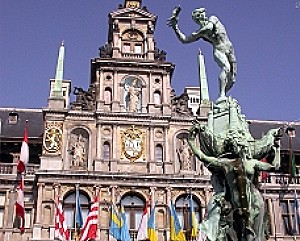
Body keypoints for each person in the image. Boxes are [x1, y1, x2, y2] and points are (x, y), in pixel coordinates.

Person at [168, 6, 237, 101]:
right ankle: (222, 95)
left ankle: (225, 93)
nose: (204, 16)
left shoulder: (213, 19)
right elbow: (184, 40)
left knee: (232, 78)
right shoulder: (201, 33)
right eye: (200, 15)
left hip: (229, 48)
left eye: (202, 14)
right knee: (226, 68)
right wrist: (175, 27)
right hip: (218, 49)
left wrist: (197, 34)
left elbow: (209, 28)